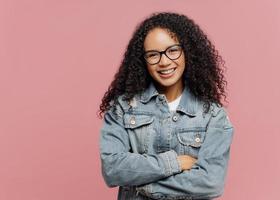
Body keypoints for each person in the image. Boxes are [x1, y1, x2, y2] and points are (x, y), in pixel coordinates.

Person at [98, 12, 234, 200]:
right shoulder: (122, 109)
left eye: (172, 51)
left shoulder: (212, 115)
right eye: (153, 55)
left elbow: (211, 182)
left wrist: (145, 187)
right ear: (142, 61)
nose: (164, 61)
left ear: (188, 51)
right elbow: (113, 168)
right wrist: (175, 163)